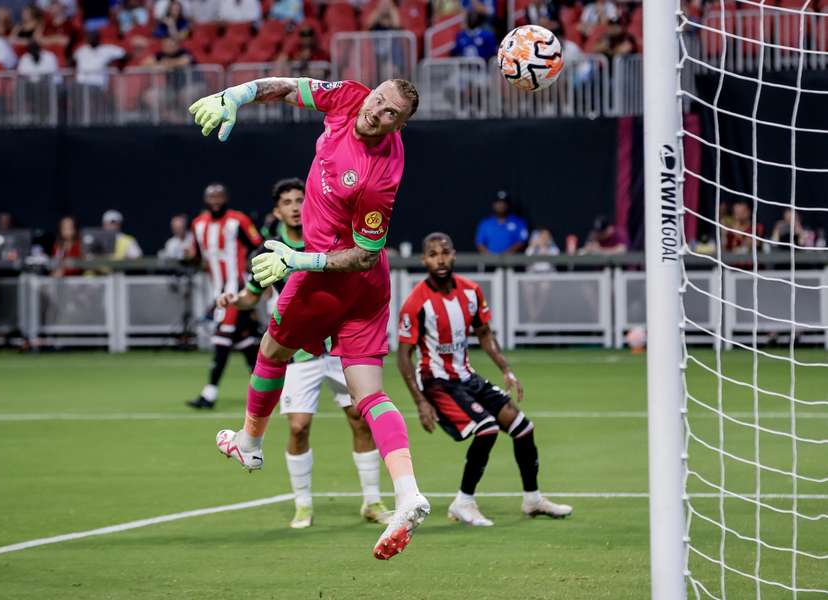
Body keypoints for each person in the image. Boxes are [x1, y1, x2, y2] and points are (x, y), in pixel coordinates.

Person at [188, 74, 428, 560]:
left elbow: (362, 254)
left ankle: (250, 442)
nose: (375, 110)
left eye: (389, 114)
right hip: (367, 288)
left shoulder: (378, 176)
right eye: (378, 99)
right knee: (369, 394)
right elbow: (284, 86)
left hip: (332, 275)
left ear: (399, 126)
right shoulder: (351, 97)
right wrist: (236, 95)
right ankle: (408, 494)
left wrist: (301, 261)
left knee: (271, 350)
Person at [218, 177, 391, 529]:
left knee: (360, 419)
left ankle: (372, 501)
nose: (296, 207)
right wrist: (235, 300)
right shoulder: (271, 250)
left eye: (300, 199)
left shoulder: (328, 238)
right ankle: (302, 504)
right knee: (298, 426)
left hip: (341, 347)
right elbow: (254, 293)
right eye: (288, 202)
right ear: (277, 210)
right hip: (298, 354)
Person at [397, 232, 573, 526]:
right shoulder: (416, 302)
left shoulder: (471, 292)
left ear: (454, 254)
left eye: (445, 252)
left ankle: (533, 499)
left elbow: (484, 335)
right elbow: (404, 356)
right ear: (423, 259)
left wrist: (506, 370)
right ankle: (463, 502)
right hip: (437, 382)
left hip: (466, 377)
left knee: (523, 428)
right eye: (432, 254)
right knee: (487, 429)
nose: (440, 259)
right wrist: (420, 402)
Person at [185, 183, 263, 409]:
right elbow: (197, 257)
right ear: (205, 200)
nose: (216, 200)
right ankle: (265, 387)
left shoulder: (238, 220)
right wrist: (188, 257)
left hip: (237, 290)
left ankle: (209, 394)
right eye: (212, 197)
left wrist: (257, 278)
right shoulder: (198, 224)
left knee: (222, 336)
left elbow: (258, 247)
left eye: (220, 196)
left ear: (227, 197)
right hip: (217, 291)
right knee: (245, 340)